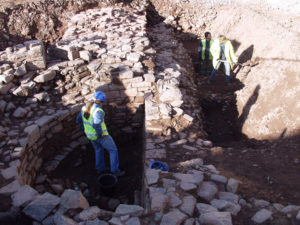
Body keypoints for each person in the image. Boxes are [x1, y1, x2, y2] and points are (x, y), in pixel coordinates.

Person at [76, 91, 125, 177]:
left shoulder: (85, 107)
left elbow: (78, 120)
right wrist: (100, 135)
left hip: (90, 135)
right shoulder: (98, 111)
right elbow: (96, 124)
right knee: (113, 150)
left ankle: (100, 169)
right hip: (101, 136)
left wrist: (85, 130)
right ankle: (115, 171)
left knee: (98, 150)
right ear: (102, 102)